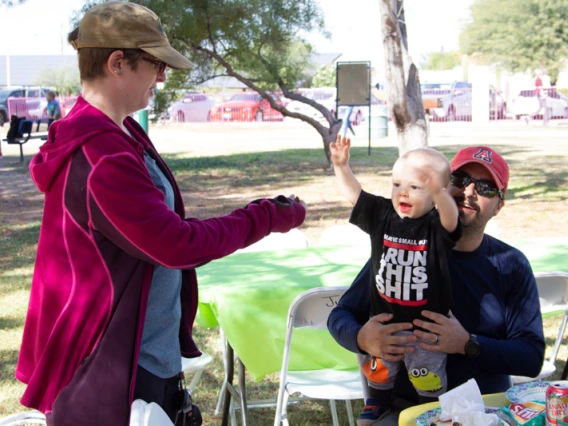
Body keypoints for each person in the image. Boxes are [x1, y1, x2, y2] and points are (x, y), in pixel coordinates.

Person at [15, 3, 306, 426]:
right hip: (115, 366)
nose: (163, 76)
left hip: (138, 355)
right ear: (118, 63)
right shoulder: (101, 155)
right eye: (156, 63)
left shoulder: (118, 132)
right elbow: (175, 244)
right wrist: (266, 217)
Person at [328, 145, 545, 426]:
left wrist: (467, 344)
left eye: (486, 187)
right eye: (460, 180)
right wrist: (363, 338)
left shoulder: (510, 264)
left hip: (485, 412)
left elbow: (530, 358)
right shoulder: (405, 246)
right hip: (407, 411)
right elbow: (339, 316)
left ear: (499, 206)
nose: (468, 192)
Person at [330, 136, 460, 424]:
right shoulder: (383, 215)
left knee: (427, 373)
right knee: (378, 367)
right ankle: (376, 401)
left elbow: (452, 220)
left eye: (415, 187)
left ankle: (429, 409)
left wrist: (441, 193)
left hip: (427, 327)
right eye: (397, 184)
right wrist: (341, 166)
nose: (403, 192)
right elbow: (356, 196)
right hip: (385, 320)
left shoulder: (436, 224)